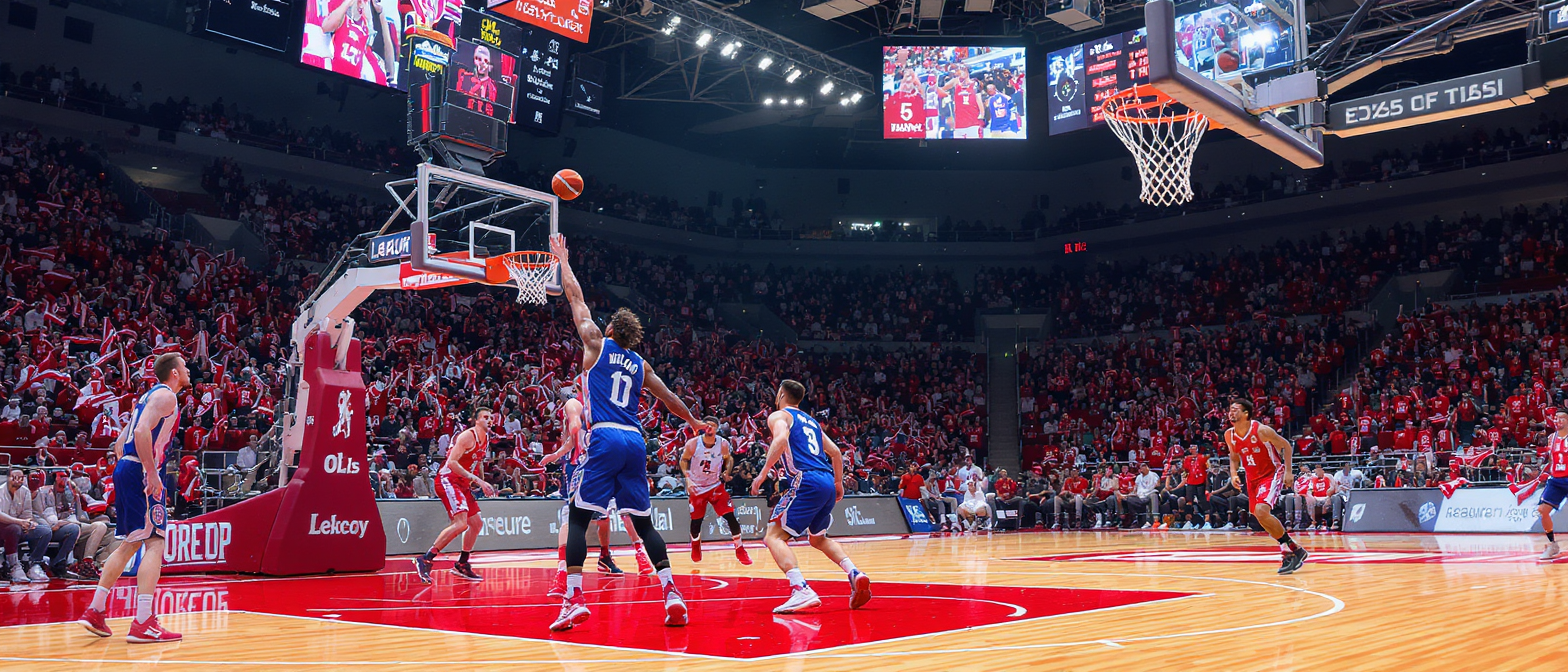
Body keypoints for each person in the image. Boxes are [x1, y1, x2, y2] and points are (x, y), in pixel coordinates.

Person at [547, 234, 709, 632]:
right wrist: (694, 423)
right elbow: (671, 398)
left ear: (612, 327)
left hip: (604, 435)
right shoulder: (640, 363)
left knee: (579, 518)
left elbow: (575, 298)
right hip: (636, 441)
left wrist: (563, 260)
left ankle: (574, 598)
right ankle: (672, 593)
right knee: (645, 524)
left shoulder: (595, 343)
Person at [76, 353, 190, 643]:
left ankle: (96, 609)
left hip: (126, 466)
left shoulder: (145, 398)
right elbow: (140, 432)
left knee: (130, 542)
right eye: (185, 367)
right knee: (155, 542)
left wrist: (129, 469)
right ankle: (143, 622)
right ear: (174, 373)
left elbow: (119, 442)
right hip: (141, 469)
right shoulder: (167, 396)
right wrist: (151, 473)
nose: (188, 370)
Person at [749, 379, 872, 613]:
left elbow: (781, 439)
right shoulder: (812, 422)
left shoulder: (779, 416)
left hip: (806, 479)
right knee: (818, 538)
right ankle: (855, 573)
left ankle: (800, 589)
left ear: (781, 395)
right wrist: (838, 483)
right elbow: (836, 452)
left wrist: (763, 473)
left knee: (773, 536)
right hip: (825, 480)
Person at [544, 386, 655, 599]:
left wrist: (555, 454)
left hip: (604, 460)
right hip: (580, 465)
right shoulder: (574, 404)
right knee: (572, 516)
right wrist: (562, 449)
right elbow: (574, 433)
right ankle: (562, 571)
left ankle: (607, 556)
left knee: (609, 513)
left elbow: (573, 437)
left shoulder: (601, 404)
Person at [1225, 399, 1309, 574]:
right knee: (1259, 516)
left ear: (1246, 413)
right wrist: (1233, 474)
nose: (1231, 412)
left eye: (1235, 410)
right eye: (1230, 410)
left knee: (1262, 511)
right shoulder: (1229, 435)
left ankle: (1288, 554)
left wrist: (1288, 471)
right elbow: (1234, 457)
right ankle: (1294, 548)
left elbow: (1286, 445)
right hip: (1252, 478)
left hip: (1271, 473)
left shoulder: (1262, 430)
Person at [414, 408, 496, 583]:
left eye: (492, 418)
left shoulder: (486, 438)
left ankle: (462, 564)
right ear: (476, 420)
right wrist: (479, 481)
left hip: (463, 483)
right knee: (460, 524)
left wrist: (478, 482)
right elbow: (452, 463)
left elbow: (476, 462)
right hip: (448, 479)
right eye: (485, 417)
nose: (490, 421)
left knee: (477, 523)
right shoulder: (467, 436)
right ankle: (426, 558)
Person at [680, 418, 752, 565]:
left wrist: (727, 471)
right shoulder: (693, 443)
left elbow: (729, 459)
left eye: (713, 425)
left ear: (717, 429)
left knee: (730, 516)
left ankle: (740, 549)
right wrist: (687, 478)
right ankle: (695, 545)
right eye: (707, 425)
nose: (709, 428)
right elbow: (683, 460)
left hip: (715, 486)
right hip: (697, 487)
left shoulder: (723, 443)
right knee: (696, 522)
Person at [1536, 409, 1568, 560]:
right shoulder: (1551, 438)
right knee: (1542, 510)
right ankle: (1552, 545)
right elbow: (1551, 459)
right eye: (1556, 418)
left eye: (1562, 418)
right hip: (1556, 479)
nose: (1558, 421)